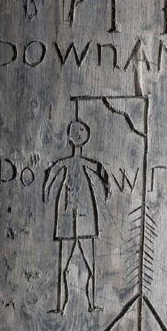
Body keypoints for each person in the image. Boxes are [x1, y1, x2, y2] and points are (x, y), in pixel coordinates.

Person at [43, 120, 110, 314]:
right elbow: (51, 174)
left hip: (85, 216)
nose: (79, 135)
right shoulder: (67, 162)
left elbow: (101, 172)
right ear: (72, 138)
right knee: (63, 268)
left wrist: (107, 188)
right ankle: (61, 306)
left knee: (89, 266)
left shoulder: (85, 163)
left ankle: (90, 304)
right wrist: (46, 192)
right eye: (77, 131)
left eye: (82, 131)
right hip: (67, 216)